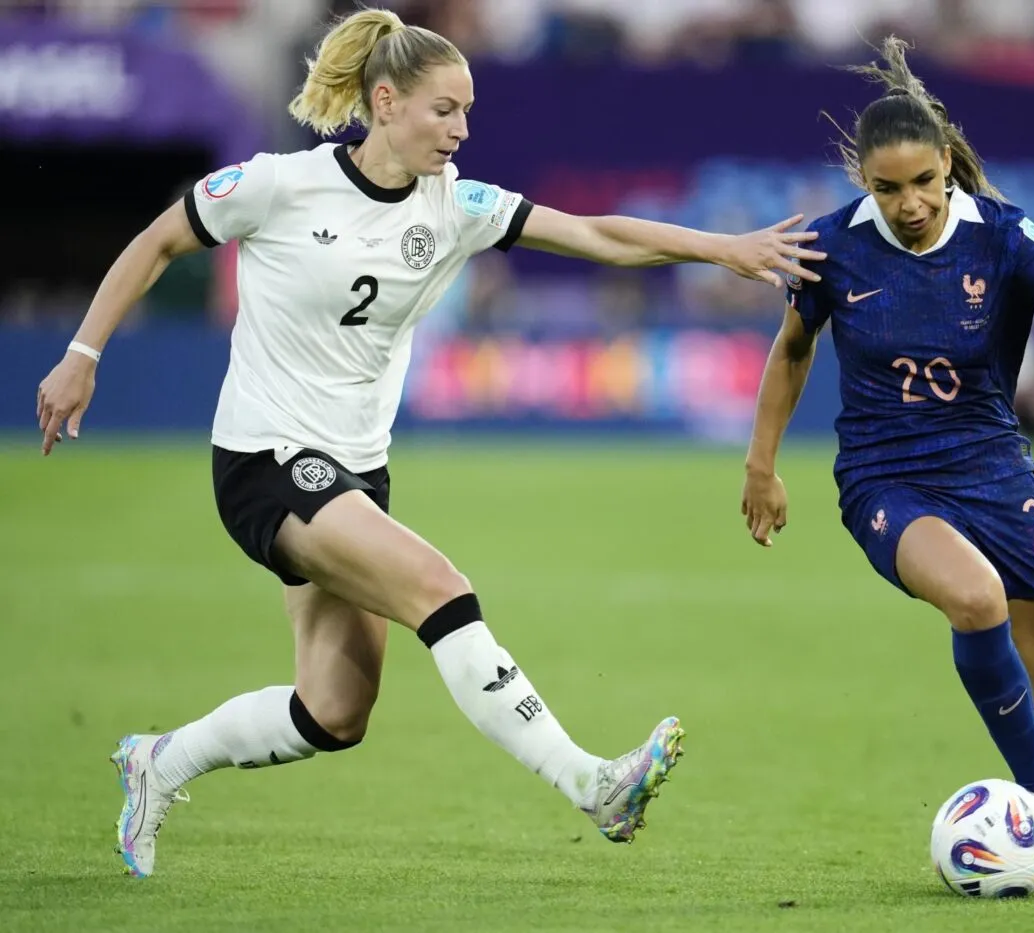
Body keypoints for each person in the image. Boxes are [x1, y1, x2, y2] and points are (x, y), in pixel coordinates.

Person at [33, 8, 825, 879]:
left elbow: (597, 232)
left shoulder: (456, 206)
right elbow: (159, 240)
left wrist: (723, 250)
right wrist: (82, 355)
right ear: (386, 102)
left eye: (467, 112)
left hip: (355, 474)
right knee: (440, 588)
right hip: (266, 460)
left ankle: (161, 760)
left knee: (335, 710)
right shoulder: (278, 184)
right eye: (445, 110)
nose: (461, 130)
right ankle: (591, 782)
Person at [739, 37, 1034, 888]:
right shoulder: (832, 245)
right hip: (886, 477)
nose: (910, 204)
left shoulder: (1001, 235)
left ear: (947, 165)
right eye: (888, 188)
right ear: (864, 181)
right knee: (975, 598)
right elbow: (793, 349)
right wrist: (761, 466)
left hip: (995, 470)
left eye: (924, 182)